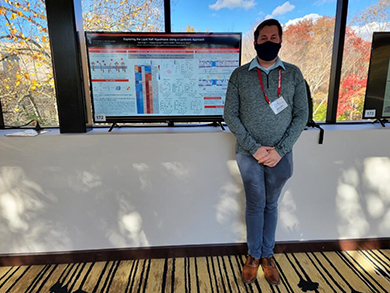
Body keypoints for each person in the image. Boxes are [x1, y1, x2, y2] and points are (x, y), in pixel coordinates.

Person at [224, 19, 308, 285]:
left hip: (281, 156)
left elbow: (301, 115)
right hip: (249, 155)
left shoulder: (293, 74)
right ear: (255, 41)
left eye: (274, 37)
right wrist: (255, 148)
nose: (269, 42)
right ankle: (253, 255)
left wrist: (279, 151)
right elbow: (230, 115)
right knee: (255, 204)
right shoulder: (240, 75)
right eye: (263, 38)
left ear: (281, 41)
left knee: (271, 205)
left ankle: (267, 256)